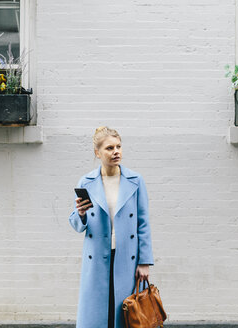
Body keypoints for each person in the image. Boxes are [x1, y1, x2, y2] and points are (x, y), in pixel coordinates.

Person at [69, 126, 154, 328]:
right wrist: (80, 213)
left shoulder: (135, 180)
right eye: (109, 148)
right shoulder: (86, 182)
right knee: (99, 314)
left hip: (127, 256)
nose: (116, 151)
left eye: (118, 146)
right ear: (97, 153)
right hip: (97, 257)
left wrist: (145, 262)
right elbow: (76, 225)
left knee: (124, 313)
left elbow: (143, 223)